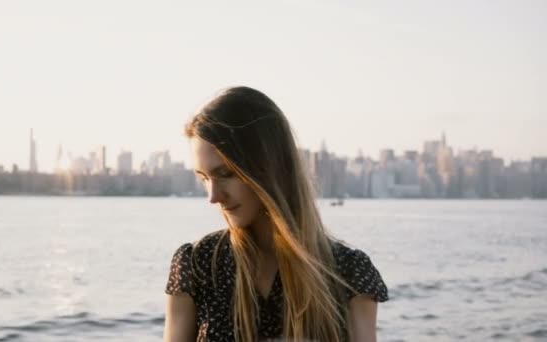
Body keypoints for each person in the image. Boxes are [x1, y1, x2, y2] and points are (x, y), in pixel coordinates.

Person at [164, 86, 388, 342]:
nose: (213, 196)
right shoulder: (197, 264)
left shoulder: (349, 273)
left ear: (268, 166)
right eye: (204, 178)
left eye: (226, 174)